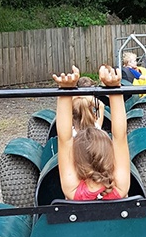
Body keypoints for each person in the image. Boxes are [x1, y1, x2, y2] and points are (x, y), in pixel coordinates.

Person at [52, 65, 131, 201]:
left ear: (76, 160)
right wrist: (114, 87)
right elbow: (120, 136)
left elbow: (64, 139)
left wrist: (66, 89)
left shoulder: (72, 190)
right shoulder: (120, 187)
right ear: (110, 156)